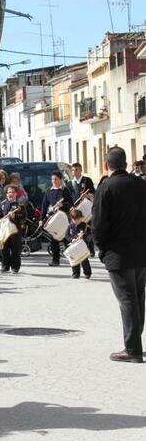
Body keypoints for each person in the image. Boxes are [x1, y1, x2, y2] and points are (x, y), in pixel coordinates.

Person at [92, 147, 146, 363]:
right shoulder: (142, 185)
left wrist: (101, 249)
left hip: (118, 253)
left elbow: (98, 224)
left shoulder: (106, 187)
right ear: (126, 163)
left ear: (107, 165)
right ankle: (135, 340)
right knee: (138, 297)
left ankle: (132, 348)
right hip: (142, 251)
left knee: (127, 300)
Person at [39, 171, 73, 267]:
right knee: (54, 240)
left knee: (66, 239)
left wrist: (62, 204)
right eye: (52, 179)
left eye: (56, 179)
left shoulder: (64, 190)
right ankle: (55, 260)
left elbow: (71, 204)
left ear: (60, 180)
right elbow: (44, 207)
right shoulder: (48, 191)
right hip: (53, 219)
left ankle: (73, 257)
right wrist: (41, 219)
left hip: (63, 218)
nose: (54, 181)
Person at [0, 185, 26, 274]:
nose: (11, 194)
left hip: (15, 230)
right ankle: (5, 265)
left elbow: (23, 218)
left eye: (13, 192)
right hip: (5, 230)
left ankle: (15, 267)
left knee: (15, 249)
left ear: (16, 194)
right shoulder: (3, 204)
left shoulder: (19, 205)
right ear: (6, 194)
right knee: (4, 248)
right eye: (9, 192)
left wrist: (15, 217)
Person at [65, 209, 92, 280]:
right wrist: (72, 239)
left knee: (84, 260)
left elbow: (90, 235)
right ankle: (76, 274)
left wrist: (84, 236)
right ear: (72, 219)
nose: (77, 221)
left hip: (82, 245)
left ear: (81, 218)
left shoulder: (85, 225)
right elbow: (67, 235)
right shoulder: (70, 226)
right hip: (74, 246)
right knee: (74, 260)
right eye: (75, 220)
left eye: (78, 219)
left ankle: (87, 273)